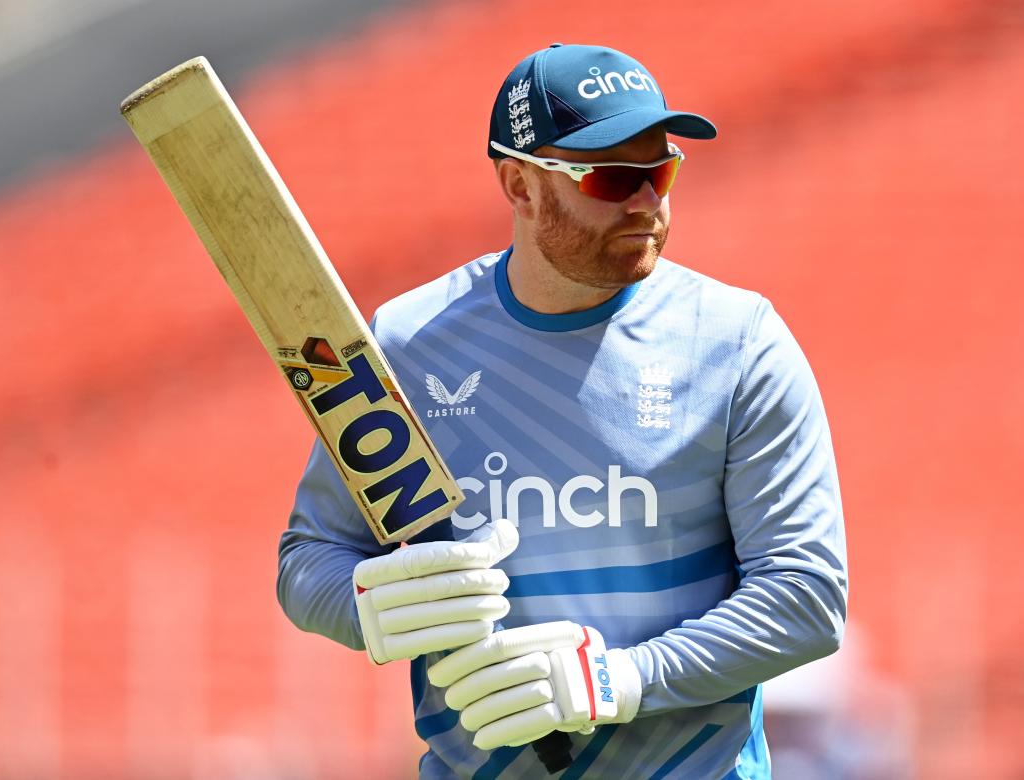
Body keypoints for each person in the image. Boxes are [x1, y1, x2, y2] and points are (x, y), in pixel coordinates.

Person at [277, 43, 848, 779]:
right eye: (612, 178)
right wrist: (362, 608)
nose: (646, 202)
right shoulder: (407, 343)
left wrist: (616, 680)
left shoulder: (736, 341)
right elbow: (309, 558)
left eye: (660, 171)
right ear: (519, 186)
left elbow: (805, 597)